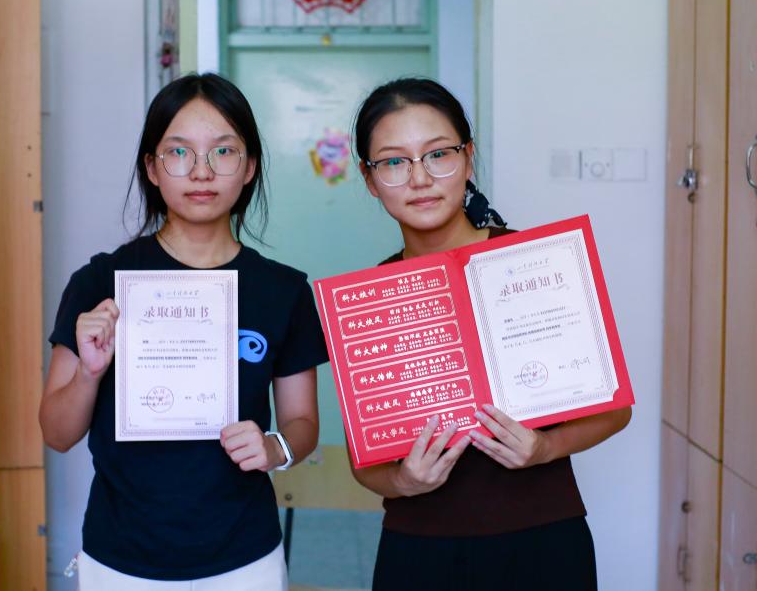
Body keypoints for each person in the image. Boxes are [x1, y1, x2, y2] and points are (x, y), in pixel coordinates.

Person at [39, 73, 327, 590]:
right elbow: (56, 434)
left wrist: (275, 447)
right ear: (152, 167)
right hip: (120, 558)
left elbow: (303, 422)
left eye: (224, 151)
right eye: (178, 152)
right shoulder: (100, 283)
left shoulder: (283, 291)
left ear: (250, 166)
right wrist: (89, 373)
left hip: (245, 558)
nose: (201, 171)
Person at [349, 77, 631, 591]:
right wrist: (403, 481)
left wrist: (544, 448)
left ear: (469, 159)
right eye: (393, 162)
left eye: (439, 154)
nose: (420, 178)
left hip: (543, 541)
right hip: (418, 548)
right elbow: (364, 461)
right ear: (370, 179)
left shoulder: (539, 262)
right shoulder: (371, 299)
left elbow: (615, 411)